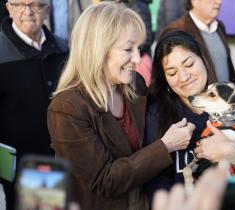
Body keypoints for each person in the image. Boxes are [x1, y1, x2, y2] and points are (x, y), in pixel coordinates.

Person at [47, 2, 195, 210]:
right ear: (97, 49)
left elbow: (166, 109)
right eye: (128, 49)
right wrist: (165, 146)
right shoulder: (67, 108)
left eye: (138, 47)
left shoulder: (134, 83)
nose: (137, 58)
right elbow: (105, 180)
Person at [145, 30, 235, 204]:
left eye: (189, 64)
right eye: (172, 73)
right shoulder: (155, 117)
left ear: (204, 60)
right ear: (164, 79)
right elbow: (156, 188)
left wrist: (234, 152)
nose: (184, 77)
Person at [0, 0, 68, 209]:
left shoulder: (62, 47)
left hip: (63, 157)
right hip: (21, 163)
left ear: (48, 8)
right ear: (8, 7)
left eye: (36, 5)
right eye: (19, 4)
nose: (27, 12)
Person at [160, 0, 235, 83]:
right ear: (195, 1)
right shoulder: (177, 30)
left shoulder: (219, 26)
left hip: (225, 93)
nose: (219, 2)